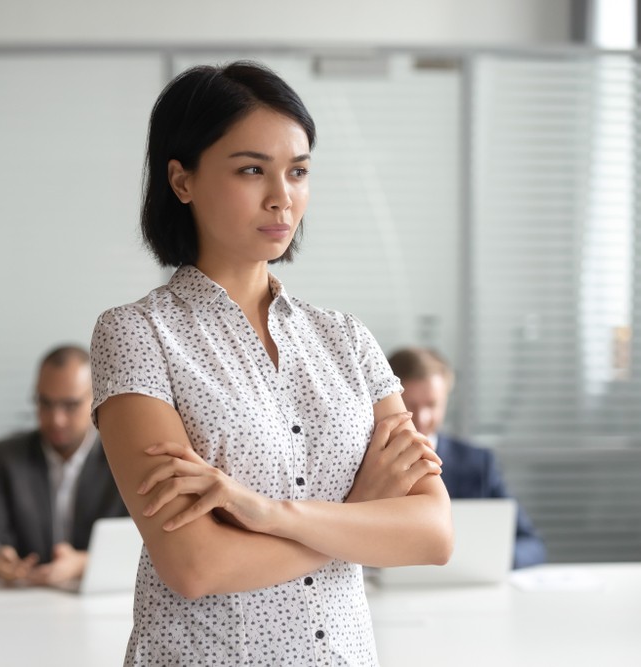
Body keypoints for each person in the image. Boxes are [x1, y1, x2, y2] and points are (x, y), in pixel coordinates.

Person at [89, 61, 453, 665]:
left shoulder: (348, 340)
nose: (282, 198)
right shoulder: (136, 334)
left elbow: (432, 534)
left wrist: (267, 514)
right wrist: (360, 516)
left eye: (298, 171)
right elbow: (196, 565)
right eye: (252, 170)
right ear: (182, 181)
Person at [0, 345, 128, 586]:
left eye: (70, 405)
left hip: (102, 605)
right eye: (45, 403)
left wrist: (83, 563)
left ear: (96, 399)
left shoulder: (122, 458)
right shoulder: (5, 457)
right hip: (24, 601)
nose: (56, 419)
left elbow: (149, 547)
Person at [388, 346, 547, 569]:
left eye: (432, 405)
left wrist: (491, 560)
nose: (422, 418)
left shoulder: (479, 462)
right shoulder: (367, 464)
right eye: (410, 405)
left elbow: (531, 545)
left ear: (446, 401)